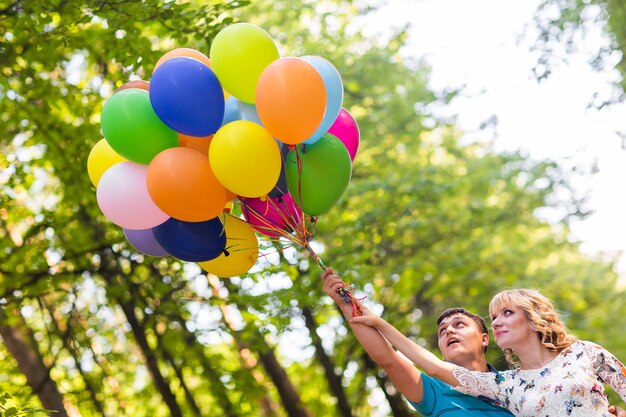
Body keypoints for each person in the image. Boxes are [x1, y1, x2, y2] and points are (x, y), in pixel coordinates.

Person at [348, 286, 626, 417]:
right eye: (494, 317)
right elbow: (432, 366)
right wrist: (379, 322)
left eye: (507, 312)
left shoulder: (584, 353)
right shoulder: (505, 386)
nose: (497, 321)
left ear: (532, 317)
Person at [322, 268, 512, 416]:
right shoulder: (431, 390)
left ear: (484, 338)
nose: (449, 331)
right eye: (442, 331)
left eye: (459, 324)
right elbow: (387, 359)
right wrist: (346, 304)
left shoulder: (515, 384)